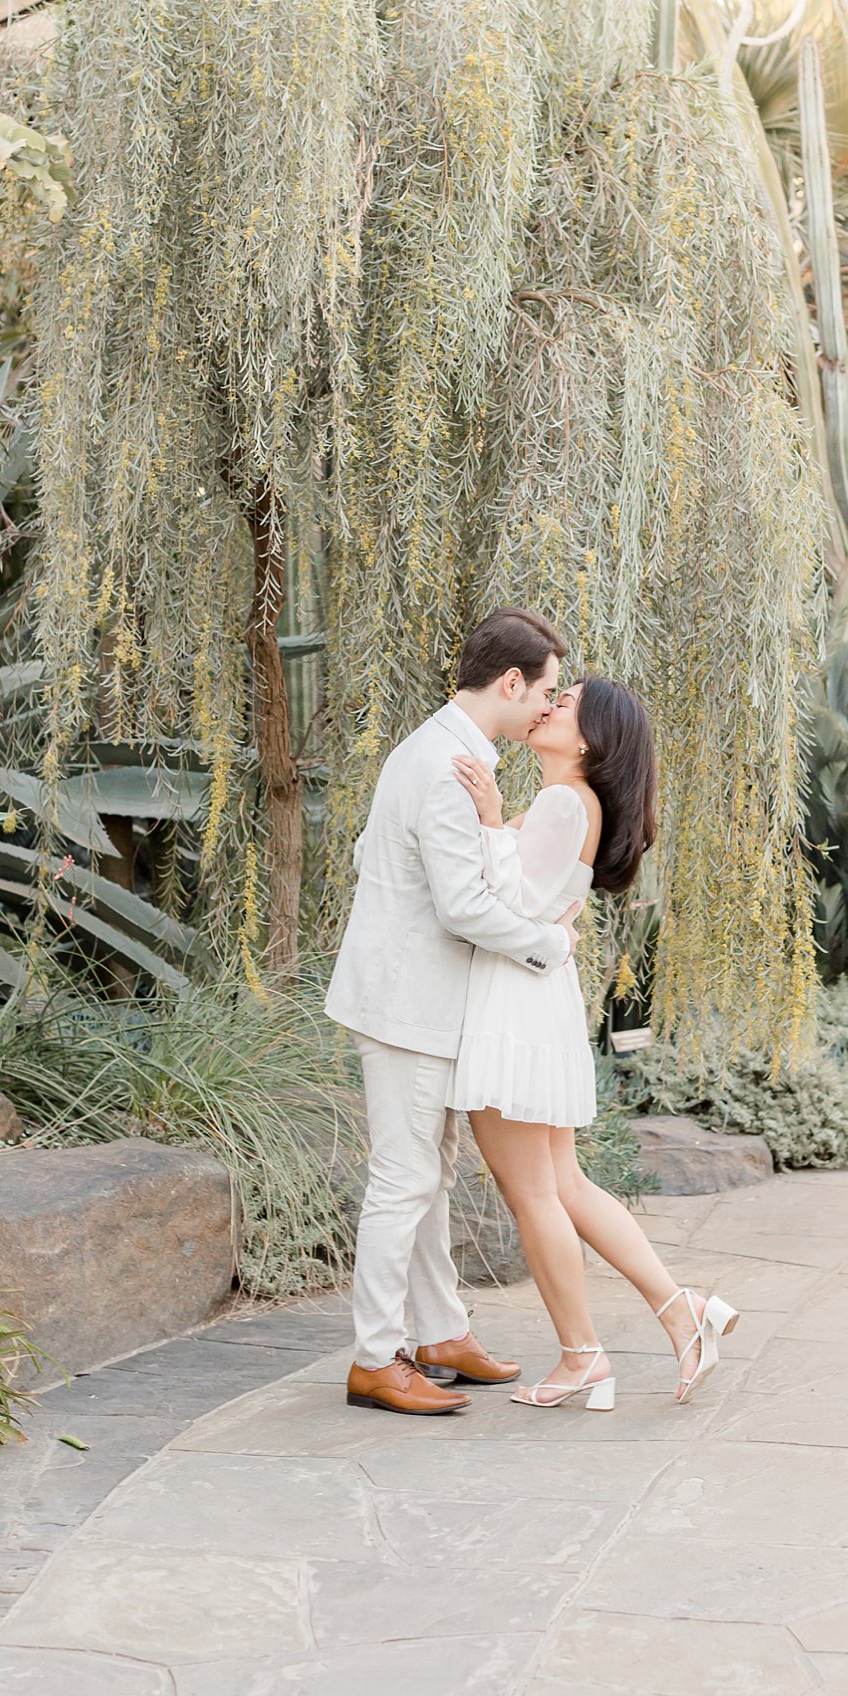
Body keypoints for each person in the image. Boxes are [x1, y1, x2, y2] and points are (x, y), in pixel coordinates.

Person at [448, 677, 738, 1410]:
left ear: (588, 741)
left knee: (535, 1192)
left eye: (567, 702)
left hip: (514, 1004)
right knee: (565, 1185)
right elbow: (541, 904)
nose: (548, 705)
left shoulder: (562, 800)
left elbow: (505, 902)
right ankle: (683, 1312)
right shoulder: (571, 803)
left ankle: (584, 1355)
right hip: (536, 999)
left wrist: (486, 819)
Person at [325, 607, 584, 1417]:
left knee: (429, 1175)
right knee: (404, 1179)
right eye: (542, 692)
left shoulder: (450, 752)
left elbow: (381, 859)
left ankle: (441, 1332)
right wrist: (550, 944)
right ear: (509, 682)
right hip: (407, 1004)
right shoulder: (445, 763)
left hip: (424, 1000)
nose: (547, 708)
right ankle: (375, 1356)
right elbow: (465, 905)